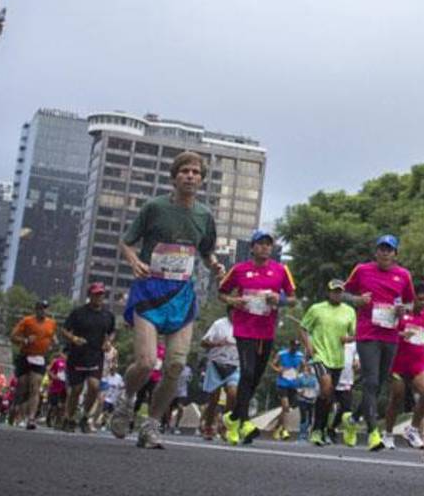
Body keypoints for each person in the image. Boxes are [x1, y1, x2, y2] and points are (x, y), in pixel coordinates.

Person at [109, 151, 226, 450]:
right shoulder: (155, 207)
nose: (190, 176)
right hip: (149, 291)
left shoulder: (204, 216)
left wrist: (214, 265)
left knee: (176, 366)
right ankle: (126, 398)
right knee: (147, 362)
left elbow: (206, 251)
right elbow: (126, 242)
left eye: (195, 172)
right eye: (184, 171)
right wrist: (134, 261)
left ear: (202, 180)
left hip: (181, 295)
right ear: (174, 177)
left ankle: (151, 425)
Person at [218, 227, 294, 445]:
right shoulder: (239, 269)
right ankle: (244, 422)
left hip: (266, 330)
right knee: (247, 373)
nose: (265, 248)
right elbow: (221, 292)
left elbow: (293, 299)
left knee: (256, 377)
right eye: (260, 244)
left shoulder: (281, 270)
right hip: (244, 329)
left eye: (268, 244)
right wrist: (233, 301)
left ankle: (233, 418)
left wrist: (278, 300)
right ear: (252, 248)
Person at [342, 234, 417, 451]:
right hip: (367, 333)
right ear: (376, 252)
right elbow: (343, 293)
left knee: (379, 383)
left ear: (395, 254)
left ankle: (352, 419)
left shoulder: (403, 275)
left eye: (389, 249)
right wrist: (357, 300)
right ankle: (373, 433)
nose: (385, 253)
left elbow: (410, 303)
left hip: (390, 335)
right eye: (381, 249)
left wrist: (403, 310)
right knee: (371, 382)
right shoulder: (362, 270)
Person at [299, 278, 357, 447]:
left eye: (340, 291)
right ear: (328, 292)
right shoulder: (316, 309)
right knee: (326, 387)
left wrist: (348, 339)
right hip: (320, 356)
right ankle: (317, 430)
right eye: (334, 291)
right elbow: (303, 328)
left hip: (337, 359)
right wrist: (308, 346)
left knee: (328, 395)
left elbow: (355, 334)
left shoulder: (349, 311)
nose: (337, 294)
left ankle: (321, 428)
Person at [384, 280, 424, 449]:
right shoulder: (399, 313)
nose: (423, 303)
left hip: (418, 363)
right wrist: (401, 334)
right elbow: (386, 332)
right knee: (397, 396)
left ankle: (413, 429)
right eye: (419, 299)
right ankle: (388, 433)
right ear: (412, 299)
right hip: (398, 363)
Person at [61, 282, 117, 433]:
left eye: (101, 294)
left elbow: (112, 332)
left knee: (94, 386)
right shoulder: (78, 312)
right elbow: (64, 330)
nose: (99, 297)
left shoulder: (108, 315)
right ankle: (69, 418)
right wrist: (74, 339)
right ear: (90, 295)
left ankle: (85, 417)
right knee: (76, 389)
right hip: (77, 356)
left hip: (96, 356)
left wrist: (108, 341)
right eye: (96, 294)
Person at [10, 299, 58, 429]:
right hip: (25, 356)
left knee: (35, 387)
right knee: (23, 386)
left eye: (45, 308)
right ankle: (18, 414)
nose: (43, 311)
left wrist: (53, 343)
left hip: (39, 358)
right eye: (40, 308)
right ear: (36, 310)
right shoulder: (27, 321)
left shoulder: (52, 323)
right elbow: (13, 337)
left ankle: (31, 418)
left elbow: (52, 337)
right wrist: (25, 340)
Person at [199, 306, 240, 441]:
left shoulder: (243, 326)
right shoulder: (219, 324)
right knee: (214, 399)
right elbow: (203, 342)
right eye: (233, 312)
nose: (236, 315)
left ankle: (224, 425)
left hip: (234, 365)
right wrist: (217, 343)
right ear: (228, 312)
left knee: (233, 394)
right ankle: (208, 426)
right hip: (217, 364)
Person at [271, 339, 304, 440]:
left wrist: (299, 374)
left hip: (293, 384)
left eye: (297, 347)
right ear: (290, 345)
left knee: (286, 409)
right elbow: (273, 364)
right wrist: (278, 370)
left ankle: (278, 427)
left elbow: (304, 366)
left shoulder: (300, 356)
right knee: (285, 405)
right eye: (294, 346)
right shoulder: (282, 354)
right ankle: (284, 430)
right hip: (282, 383)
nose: (295, 348)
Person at [296, 363, 319, 442]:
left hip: (312, 399)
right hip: (302, 399)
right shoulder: (300, 376)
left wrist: (316, 396)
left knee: (310, 417)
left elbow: (317, 388)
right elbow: (297, 386)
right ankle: (302, 435)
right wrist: (299, 391)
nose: (308, 368)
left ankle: (308, 434)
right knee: (303, 416)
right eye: (307, 366)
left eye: (310, 366)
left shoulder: (315, 377)